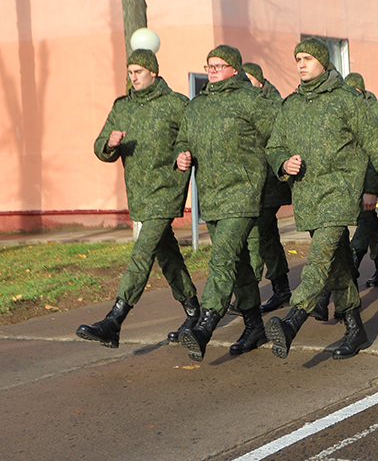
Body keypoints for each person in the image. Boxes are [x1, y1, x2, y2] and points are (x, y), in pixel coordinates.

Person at [264, 38, 378, 360]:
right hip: (307, 195)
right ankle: (356, 329)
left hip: (339, 193)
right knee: (337, 264)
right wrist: (283, 162)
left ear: (323, 61)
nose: (301, 64)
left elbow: (377, 146)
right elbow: (274, 145)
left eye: (307, 58)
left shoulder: (346, 101)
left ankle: (292, 321)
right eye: (297, 58)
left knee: (320, 257)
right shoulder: (292, 104)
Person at [77, 50, 198, 349]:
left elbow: (194, 140)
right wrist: (109, 143)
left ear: (153, 73)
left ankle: (115, 319)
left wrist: (185, 156)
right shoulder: (122, 107)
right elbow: (99, 145)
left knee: (142, 253)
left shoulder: (176, 104)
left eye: (139, 71)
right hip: (140, 193)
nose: (133, 77)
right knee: (166, 254)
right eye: (130, 71)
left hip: (166, 190)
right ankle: (195, 310)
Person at [174, 45, 278, 361]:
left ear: (234, 68)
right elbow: (183, 139)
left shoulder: (251, 100)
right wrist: (181, 155)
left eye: (220, 65)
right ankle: (254, 325)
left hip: (244, 192)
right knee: (240, 262)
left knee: (221, 256)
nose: (214, 70)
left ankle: (206, 324)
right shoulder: (197, 106)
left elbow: (280, 132)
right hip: (211, 195)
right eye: (210, 65)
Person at [240, 62, 293, 315]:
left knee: (256, 235)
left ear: (260, 82)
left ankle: (247, 295)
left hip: (270, 182)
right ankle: (281, 289)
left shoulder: (272, 105)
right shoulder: (247, 103)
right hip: (253, 185)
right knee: (267, 236)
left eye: (249, 79)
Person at [344, 72, 378, 288]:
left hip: (368, 180)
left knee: (364, 223)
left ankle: (351, 268)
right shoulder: (349, 111)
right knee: (371, 224)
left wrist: (372, 187)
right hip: (354, 181)